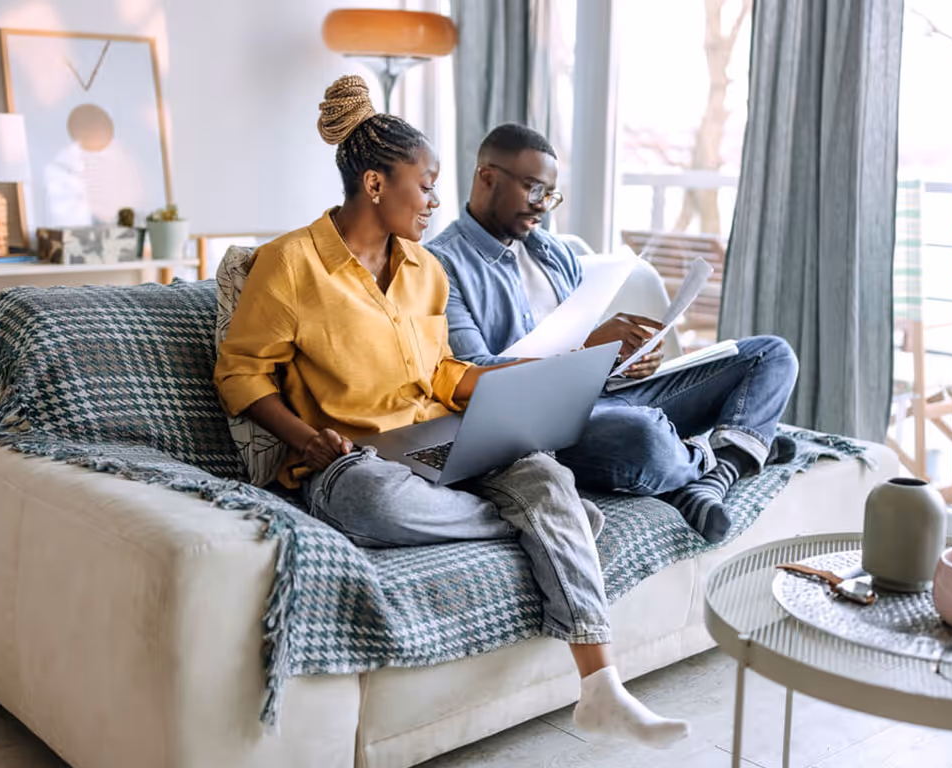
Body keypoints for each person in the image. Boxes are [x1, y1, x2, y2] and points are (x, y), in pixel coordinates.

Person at [214, 76, 689, 749]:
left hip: (443, 434)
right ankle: (546, 527)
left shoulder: (423, 270)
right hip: (353, 461)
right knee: (375, 503)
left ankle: (600, 686)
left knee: (546, 475)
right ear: (376, 185)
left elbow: (437, 370)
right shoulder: (290, 264)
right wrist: (304, 438)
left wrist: (505, 386)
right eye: (427, 183)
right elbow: (240, 372)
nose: (438, 199)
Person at [426, 123, 799, 543]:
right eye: (534, 191)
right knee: (644, 436)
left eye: (551, 195)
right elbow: (474, 378)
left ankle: (711, 475)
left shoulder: (555, 252)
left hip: (607, 397)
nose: (543, 207)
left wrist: (623, 360)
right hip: (539, 427)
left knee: (771, 354)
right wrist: (588, 350)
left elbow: (587, 354)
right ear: (487, 176)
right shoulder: (440, 267)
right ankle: (735, 451)